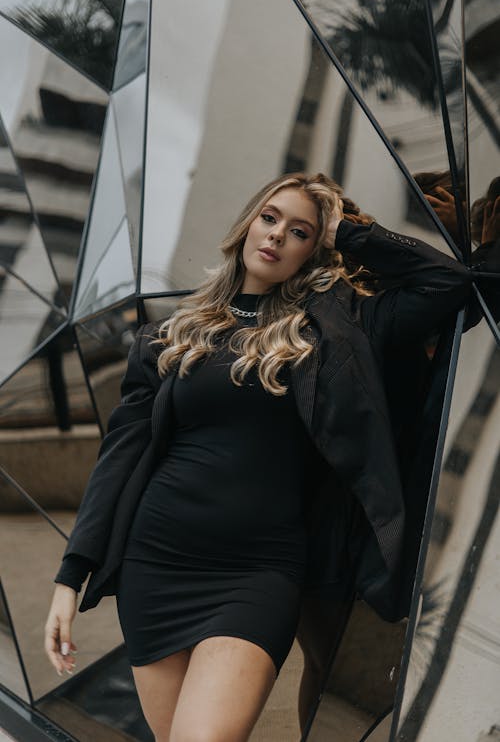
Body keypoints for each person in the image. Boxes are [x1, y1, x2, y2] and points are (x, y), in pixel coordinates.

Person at [44, 172, 478, 742]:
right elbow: (119, 458)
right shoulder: (170, 336)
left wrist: (345, 229)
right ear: (248, 221)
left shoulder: (337, 329)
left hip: (258, 574)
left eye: (299, 231)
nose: (276, 236)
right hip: (158, 563)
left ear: (313, 248)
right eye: (270, 217)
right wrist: (70, 577)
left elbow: (448, 284)